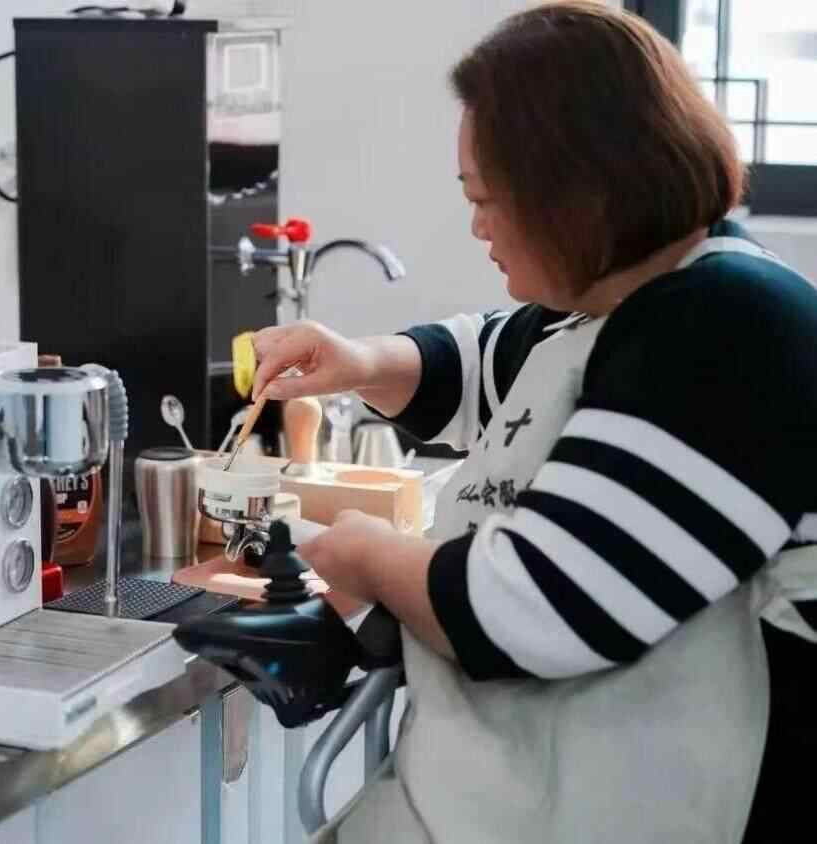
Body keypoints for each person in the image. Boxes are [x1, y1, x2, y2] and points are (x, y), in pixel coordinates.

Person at [251, 3, 817, 841]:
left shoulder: (724, 326)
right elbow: (493, 364)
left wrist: (363, 553)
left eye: (486, 199)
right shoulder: (624, 302)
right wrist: (360, 361)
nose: (476, 225)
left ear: (577, 197)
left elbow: (539, 610)